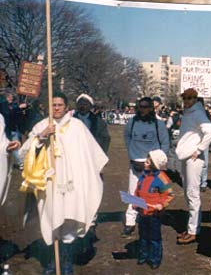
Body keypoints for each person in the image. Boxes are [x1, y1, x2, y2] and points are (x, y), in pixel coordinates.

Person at [15, 92, 108, 275]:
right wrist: (41, 137)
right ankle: (51, 262)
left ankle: (65, 262)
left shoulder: (77, 127)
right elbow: (24, 154)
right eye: (53, 105)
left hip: (73, 182)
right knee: (51, 218)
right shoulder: (41, 125)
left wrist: (94, 173)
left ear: (66, 107)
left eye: (59, 105)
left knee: (69, 218)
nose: (56, 108)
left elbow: (91, 153)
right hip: (50, 183)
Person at [122, 96, 170, 237]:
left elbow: (165, 144)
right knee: (133, 192)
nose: (142, 110)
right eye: (140, 107)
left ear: (151, 108)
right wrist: (133, 157)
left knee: (152, 193)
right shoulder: (132, 122)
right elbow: (127, 138)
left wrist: (157, 162)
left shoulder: (159, 124)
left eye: (145, 107)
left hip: (152, 165)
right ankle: (130, 222)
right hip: (136, 163)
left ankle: (149, 217)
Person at [175, 88, 211, 244]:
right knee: (188, 192)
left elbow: (210, 132)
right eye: (185, 98)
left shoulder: (198, 113)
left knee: (192, 193)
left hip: (194, 158)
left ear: (195, 99)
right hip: (187, 156)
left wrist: (198, 149)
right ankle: (192, 227)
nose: (186, 101)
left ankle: (193, 230)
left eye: (190, 98)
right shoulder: (189, 113)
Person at [134, 149, 174, 269]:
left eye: (148, 161)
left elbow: (169, 195)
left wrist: (161, 205)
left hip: (154, 214)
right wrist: (135, 201)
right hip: (142, 212)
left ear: (155, 164)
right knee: (143, 235)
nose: (145, 162)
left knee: (154, 237)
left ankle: (155, 258)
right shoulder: (143, 176)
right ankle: (143, 255)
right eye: (146, 159)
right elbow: (138, 191)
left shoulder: (162, 178)